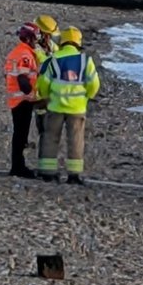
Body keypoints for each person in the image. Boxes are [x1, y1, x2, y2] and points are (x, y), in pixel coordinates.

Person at [37, 25, 100, 184]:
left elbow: (43, 82)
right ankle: (74, 175)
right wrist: (87, 97)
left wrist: (46, 97)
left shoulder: (53, 60)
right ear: (78, 42)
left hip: (55, 106)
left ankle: (48, 172)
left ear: (62, 41)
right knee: (76, 140)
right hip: (77, 108)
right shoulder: (86, 61)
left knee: (50, 138)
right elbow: (94, 84)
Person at [3, 22, 41, 178]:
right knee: (20, 135)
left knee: (19, 134)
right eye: (36, 37)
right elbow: (23, 80)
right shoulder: (25, 55)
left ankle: (18, 165)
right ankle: (18, 167)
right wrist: (33, 94)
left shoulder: (16, 52)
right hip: (22, 100)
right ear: (29, 38)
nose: (37, 40)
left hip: (15, 99)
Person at [32, 14, 59, 146]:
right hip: (38, 92)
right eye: (47, 34)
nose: (49, 37)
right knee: (42, 116)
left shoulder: (51, 45)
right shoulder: (33, 48)